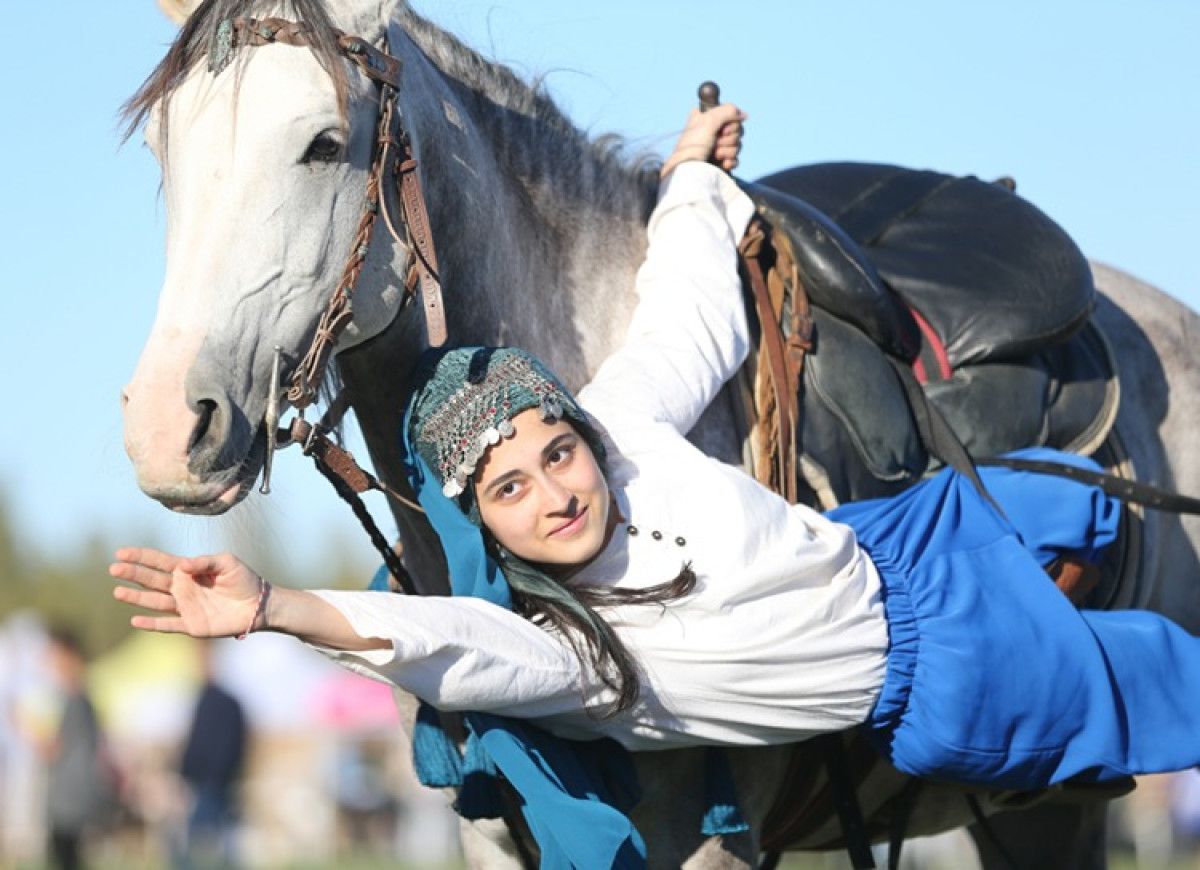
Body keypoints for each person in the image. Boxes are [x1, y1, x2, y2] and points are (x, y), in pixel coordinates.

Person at [110, 104, 1200, 822]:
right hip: (951, 669)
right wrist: (276, 608)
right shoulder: (579, 655)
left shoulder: (621, 428)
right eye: (511, 490)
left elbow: (688, 315)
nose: (556, 491)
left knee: (1090, 503)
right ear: (484, 524)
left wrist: (690, 178)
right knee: (1166, 677)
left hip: (905, 536)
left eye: (557, 452)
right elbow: (442, 641)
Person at [42, 627, 110, 870]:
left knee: (65, 856)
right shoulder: (80, 695)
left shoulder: (74, 698)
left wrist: (20, 725)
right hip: (75, 791)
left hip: (69, 794)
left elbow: (54, 748)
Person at [176, 641, 246, 868]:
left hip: (214, 782)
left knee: (207, 840)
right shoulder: (203, 698)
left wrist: (216, 774)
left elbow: (229, 745)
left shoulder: (224, 702)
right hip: (201, 781)